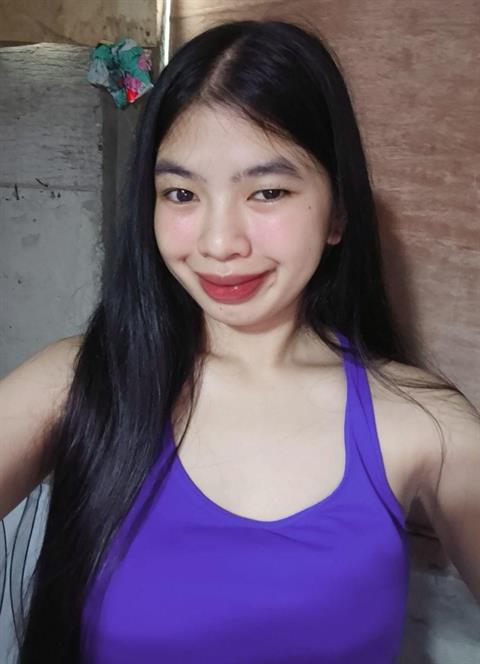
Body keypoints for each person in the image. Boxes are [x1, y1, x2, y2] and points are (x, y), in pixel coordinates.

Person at [1, 18, 479, 664]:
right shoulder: (78, 381)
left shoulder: (427, 423)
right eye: (181, 193)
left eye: (268, 191)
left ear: (338, 212)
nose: (220, 243)